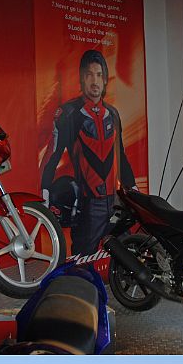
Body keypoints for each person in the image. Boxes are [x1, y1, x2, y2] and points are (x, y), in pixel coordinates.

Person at [41, 50, 137, 257]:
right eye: (89, 74)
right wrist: (44, 194)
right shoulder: (68, 113)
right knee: (83, 261)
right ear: (82, 79)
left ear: (105, 80)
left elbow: (120, 155)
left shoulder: (113, 114)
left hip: (115, 202)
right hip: (87, 204)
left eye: (99, 75)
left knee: (127, 257)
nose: (95, 81)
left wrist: (133, 190)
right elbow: (52, 156)